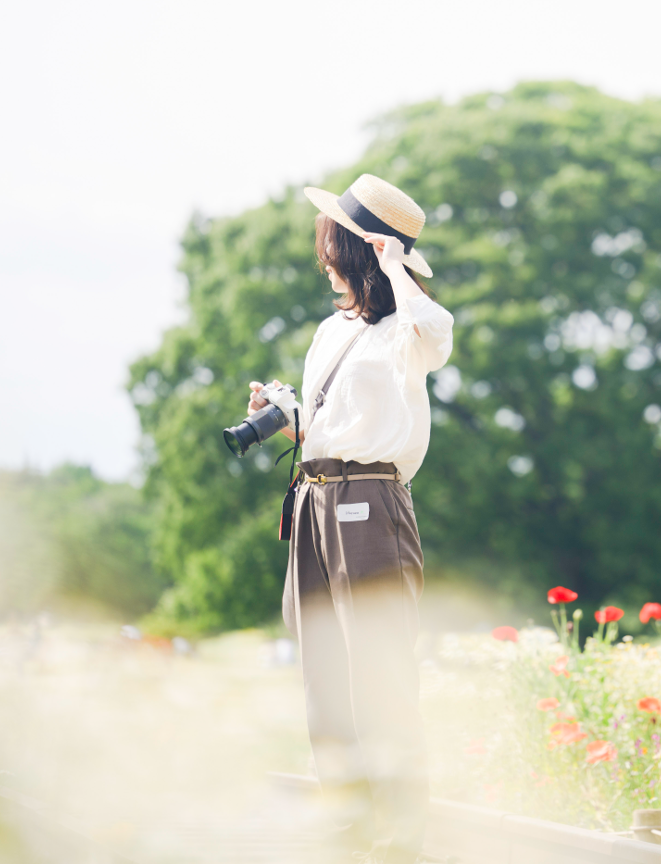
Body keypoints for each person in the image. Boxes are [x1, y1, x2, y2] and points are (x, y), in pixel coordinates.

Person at [247, 174, 453, 863]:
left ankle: (400, 839)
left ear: (356, 247)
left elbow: (437, 334)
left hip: (371, 505)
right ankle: (347, 826)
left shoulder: (407, 328)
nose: (323, 254)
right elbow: (333, 429)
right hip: (312, 499)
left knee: (379, 668)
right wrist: (285, 422)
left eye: (333, 240)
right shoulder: (330, 331)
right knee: (324, 670)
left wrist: (395, 264)